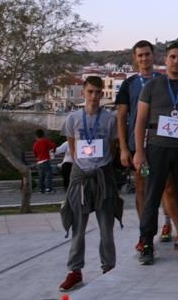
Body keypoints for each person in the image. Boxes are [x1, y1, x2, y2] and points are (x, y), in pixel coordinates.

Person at [133, 42, 178, 265]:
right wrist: (139, 152)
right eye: (173, 57)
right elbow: (141, 121)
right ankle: (146, 242)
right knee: (152, 197)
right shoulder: (152, 86)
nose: (177, 61)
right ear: (165, 60)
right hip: (157, 147)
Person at [58, 76, 122, 293]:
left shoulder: (109, 119)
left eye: (98, 92)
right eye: (90, 92)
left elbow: (113, 146)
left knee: (106, 227)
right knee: (78, 227)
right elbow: (71, 145)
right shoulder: (73, 118)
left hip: (103, 176)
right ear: (84, 92)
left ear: (102, 94)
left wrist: (103, 164)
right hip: (81, 176)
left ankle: (108, 267)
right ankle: (74, 270)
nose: (94, 96)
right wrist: (81, 165)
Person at [116, 40, 178, 248]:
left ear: (154, 56)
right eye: (140, 55)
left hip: (161, 142)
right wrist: (124, 148)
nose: (144, 58)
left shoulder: (165, 81)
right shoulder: (129, 84)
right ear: (135, 58)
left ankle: (173, 227)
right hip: (138, 145)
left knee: (167, 188)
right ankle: (146, 235)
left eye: (147, 54)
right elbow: (121, 116)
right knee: (142, 189)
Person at [33, 128, 56, 194]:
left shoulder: (35, 144)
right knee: (48, 174)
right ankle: (48, 189)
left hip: (39, 161)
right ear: (43, 135)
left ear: (36, 136)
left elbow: (34, 152)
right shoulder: (45, 141)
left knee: (41, 176)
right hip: (46, 160)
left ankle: (41, 189)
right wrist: (52, 151)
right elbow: (53, 146)